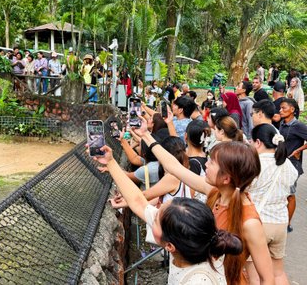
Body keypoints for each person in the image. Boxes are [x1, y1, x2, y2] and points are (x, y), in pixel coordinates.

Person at [126, 119, 274, 284]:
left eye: (212, 162)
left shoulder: (250, 222)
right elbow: (174, 166)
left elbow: (268, 279)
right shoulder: (214, 193)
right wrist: (146, 135)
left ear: (226, 178)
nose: (207, 164)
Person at [92, 145, 243, 284]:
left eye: (156, 218)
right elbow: (138, 202)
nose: (153, 214)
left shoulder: (198, 281)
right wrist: (110, 162)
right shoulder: (190, 244)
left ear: (170, 246)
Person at [247, 124, 298, 284]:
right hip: (280, 223)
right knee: (277, 272)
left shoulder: (254, 163)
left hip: (258, 223)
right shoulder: (287, 164)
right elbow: (291, 188)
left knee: (254, 272)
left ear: (258, 142)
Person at [279, 98, 307, 233]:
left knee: (290, 194)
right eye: (280, 108)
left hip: (293, 165)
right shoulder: (282, 124)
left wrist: (299, 150)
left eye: (284, 108)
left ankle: (287, 224)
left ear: (292, 110)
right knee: (282, 193)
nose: (280, 110)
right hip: (281, 163)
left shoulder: (298, 126)